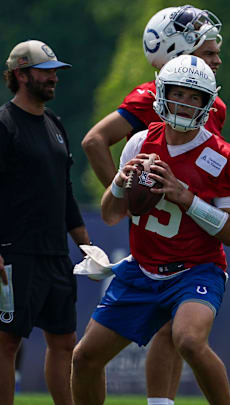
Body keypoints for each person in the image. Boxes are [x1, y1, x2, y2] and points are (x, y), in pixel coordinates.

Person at [71, 55, 230, 405]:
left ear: (208, 102)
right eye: (178, 93)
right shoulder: (138, 143)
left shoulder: (222, 156)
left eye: (194, 96)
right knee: (84, 357)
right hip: (143, 269)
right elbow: (110, 215)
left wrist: (185, 197)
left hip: (195, 269)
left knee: (189, 341)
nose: (184, 102)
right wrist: (119, 184)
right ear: (162, 93)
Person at [0, 39, 91, 405]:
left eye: (55, 72)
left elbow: (64, 192)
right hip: (15, 253)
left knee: (64, 341)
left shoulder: (54, 124)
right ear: (21, 74)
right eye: (45, 71)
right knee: (6, 342)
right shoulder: (4, 124)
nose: (53, 78)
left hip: (55, 254)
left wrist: (86, 246)